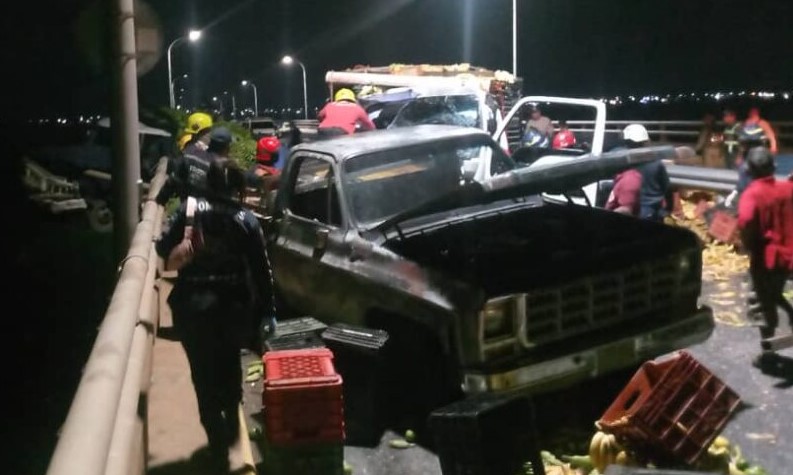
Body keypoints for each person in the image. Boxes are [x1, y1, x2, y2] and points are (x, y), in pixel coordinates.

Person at [155, 157, 276, 470]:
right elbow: (262, 271)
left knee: (202, 374)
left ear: (207, 182)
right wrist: (267, 311)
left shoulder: (188, 211)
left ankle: (217, 443)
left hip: (193, 306)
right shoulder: (245, 220)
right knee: (228, 361)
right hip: (232, 306)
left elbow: (161, 249)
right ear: (238, 188)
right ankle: (232, 413)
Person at [736, 147, 793, 368]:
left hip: (767, 258)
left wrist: (748, 244)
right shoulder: (788, 188)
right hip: (787, 257)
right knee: (774, 290)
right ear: (774, 166)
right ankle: (789, 313)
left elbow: (747, 221)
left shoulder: (752, 193)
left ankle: (769, 353)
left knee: (760, 302)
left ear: (748, 169)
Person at [155, 126, 229, 206]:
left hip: (184, 209)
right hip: (207, 214)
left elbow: (172, 181)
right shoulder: (224, 169)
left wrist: (160, 200)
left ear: (210, 142)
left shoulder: (190, 157)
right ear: (226, 148)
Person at [622, 124, 671, 222]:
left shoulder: (622, 161)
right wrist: (668, 209)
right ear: (645, 141)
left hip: (630, 210)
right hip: (653, 211)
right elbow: (667, 188)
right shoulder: (656, 162)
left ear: (627, 142)